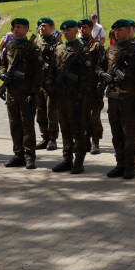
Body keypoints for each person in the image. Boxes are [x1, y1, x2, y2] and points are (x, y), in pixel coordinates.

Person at [103, 19, 135, 179]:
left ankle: (130, 166)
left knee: (130, 134)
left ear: (128, 30)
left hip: (130, 99)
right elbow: (100, 67)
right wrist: (102, 75)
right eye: (115, 30)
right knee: (116, 133)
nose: (117, 32)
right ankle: (120, 164)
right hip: (113, 97)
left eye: (120, 30)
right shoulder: (110, 50)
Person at [48, 20, 96, 174]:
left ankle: (79, 161)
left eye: (69, 30)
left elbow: (86, 78)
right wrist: (49, 86)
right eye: (64, 31)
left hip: (75, 98)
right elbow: (52, 69)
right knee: (65, 129)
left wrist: (81, 99)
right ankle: (66, 159)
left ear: (76, 31)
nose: (65, 32)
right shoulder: (58, 48)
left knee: (78, 130)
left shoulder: (82, 50)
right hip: (61, 97)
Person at [0, 18, 41, 169]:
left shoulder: (32, 48)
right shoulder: (10, 46)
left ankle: (30, 157)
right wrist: (2, 74)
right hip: (12, 92)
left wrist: (33, 92)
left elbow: (38, 73)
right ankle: (18, 155)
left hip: (26, 93)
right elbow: (3, 64)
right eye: (14, 27)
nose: (15, 29)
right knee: (14, 125)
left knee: (27, 126)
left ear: (26, 29)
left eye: (19, 27)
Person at [79, 18, 107, 154]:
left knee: (94, 116)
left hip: (93, 86)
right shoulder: (76, 45)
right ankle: (85, 141)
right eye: (80, 28)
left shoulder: (96, 46)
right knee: (82, 116)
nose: (82, 30)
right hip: (79, 88)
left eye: (84, 27)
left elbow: (102, 66)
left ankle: (95, 141)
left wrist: (101, 87)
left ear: (91, 29)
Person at [34, 17, 60, 151]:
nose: (41, 28)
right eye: (40, 26)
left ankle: (52, 139)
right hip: (38, 83)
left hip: (51, 83)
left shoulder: (56, 44)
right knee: (40, 112)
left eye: (44, 26)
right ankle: (44, 136)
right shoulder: (35, 43)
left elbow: (58, 65)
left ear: (51, 28)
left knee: (52, 113)